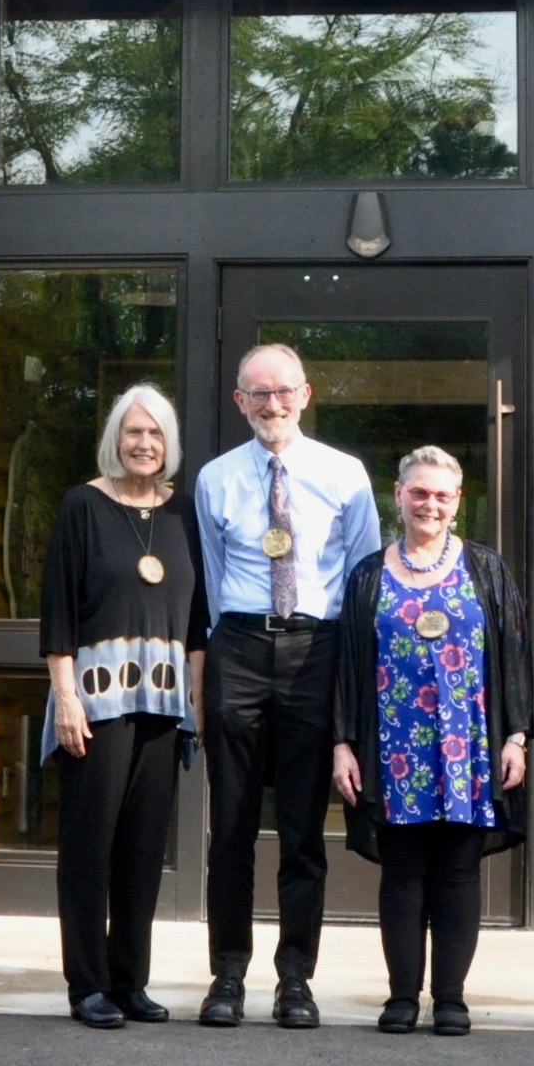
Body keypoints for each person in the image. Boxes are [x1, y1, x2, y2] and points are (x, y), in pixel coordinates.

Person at [191, 341, 380, 1028]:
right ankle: (228, 976)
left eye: (283, 391)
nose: (272, 404)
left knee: (302, 830)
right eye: (258, 393)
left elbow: (364, 581)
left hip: (316, 650)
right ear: (241, 402)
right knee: (232, 826)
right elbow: (211, 582)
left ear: (305, 395)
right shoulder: (215, 479)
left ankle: (295, 979)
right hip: (239, 646)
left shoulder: (345, 474)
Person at [330, 446, 531, 1036]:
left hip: (466, 747)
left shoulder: (486, 569)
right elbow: (345, 665)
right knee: (402, 873)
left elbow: (514, 655)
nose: (430, 505)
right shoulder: (368, 574)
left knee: (458, 874)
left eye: (443, 495)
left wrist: (515, 737)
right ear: (398, 495)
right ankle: (399, 998)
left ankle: (450, 999)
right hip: (393, 749)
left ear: (458, 502)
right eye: (419, 492)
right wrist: (343, 742)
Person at [38, 384, 206, 1029]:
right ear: (116, 439)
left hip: (163, 705)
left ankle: (130, 981)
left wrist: (196, 702)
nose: (144, 444)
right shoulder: (83, 505)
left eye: (156, 434)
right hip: (96, 705)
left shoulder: (182, 514)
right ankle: (87, 985)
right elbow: (58, 613)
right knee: (89, 848)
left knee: (141, 849)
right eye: (134, 433)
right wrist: (65, 699)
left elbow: (197, 620)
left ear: (169, 444)